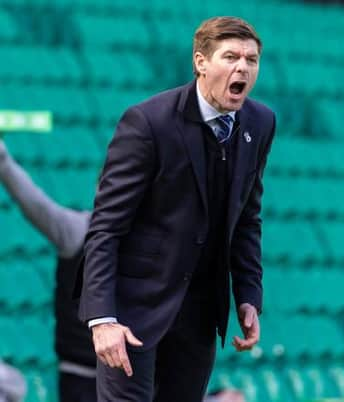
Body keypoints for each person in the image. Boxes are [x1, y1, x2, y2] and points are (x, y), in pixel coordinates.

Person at [75, 16, 276, 401]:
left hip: (200, 314)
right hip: (133, 312)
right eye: (231, 57)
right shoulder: (148, 122)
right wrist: (102, 319)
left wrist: (248, 294)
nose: (243, 68)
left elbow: (247, 218)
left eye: (251, 60)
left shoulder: (261, 122)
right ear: (201, 62)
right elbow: (106, 227)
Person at [0, 138, 97, 402]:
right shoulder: (78, 231)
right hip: (84, 380)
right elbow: (36, 204)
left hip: (136, 379)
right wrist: (4, 162)